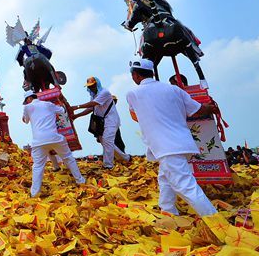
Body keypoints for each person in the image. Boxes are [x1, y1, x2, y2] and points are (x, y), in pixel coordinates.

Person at [125, 58, 218, 216]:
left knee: (185, 186)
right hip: (182, 143)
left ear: (135, 75)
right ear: (152, 73)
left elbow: (135, 117)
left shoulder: (133, 94)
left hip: (165, 146)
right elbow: (197, 110)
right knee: (165, 178)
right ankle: (168, 211)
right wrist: (211, 108)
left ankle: (215, 220)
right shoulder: (175, 90)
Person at [22, 90, 85, 197]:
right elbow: (62, 111)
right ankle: (81, 181)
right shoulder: (48, 105)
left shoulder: (27, 107)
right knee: (68, 158)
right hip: (54, 137)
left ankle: (34, 193)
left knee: (37, 166)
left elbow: (25, 121)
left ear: (29, 99)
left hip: (38, 141)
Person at [72, 77, 132, 170]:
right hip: (101, 122)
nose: (91, 88)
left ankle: (108, 165)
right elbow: (91, 108)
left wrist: (77, 106)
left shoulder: (104, 92)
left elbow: (93, 104)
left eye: (93, 86)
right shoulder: (93, 95)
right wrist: (77, 116)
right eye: (89, 86)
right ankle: (125, 158)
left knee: (107, 141)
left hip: (110, 120)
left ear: (97, 84)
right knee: (104, 141)